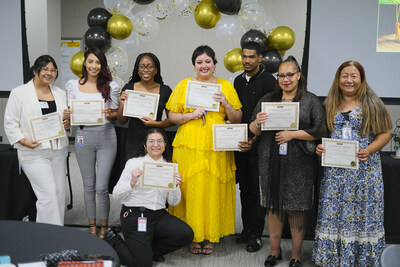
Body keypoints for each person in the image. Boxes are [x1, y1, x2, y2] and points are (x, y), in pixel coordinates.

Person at [249, 56, 327, 267]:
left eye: (290, 75)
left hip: (299, 163)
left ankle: (296, 254)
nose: (285, 79)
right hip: (269, 160)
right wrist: (257, 121)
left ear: (299, 75)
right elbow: (252, 129)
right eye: (281, 75)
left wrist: (293, 135)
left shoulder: (310, 100)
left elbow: (320, 130)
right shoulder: (268, 98)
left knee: (296, 208)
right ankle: (274, 251)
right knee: (273, 206)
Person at [312, 61, 392, 266]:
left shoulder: (372, 103)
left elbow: (385, 133)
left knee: (361, 216)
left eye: (354, 76)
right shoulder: (330, 103)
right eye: (344, 75)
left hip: (364, 173)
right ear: (338, 80)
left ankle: (360, 260)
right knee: (334, 214)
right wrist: (320, 148)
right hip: (335, 175)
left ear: (362, 79)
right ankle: (332, 258)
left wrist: (370, 149)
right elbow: (323, 135)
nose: (349, 80)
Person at [166, 45, 242, 255]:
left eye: (208, 61)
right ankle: (191, 234)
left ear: (215, 63)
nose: (204, 65)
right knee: (189, 188)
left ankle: (209, 235)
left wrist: (226, 104)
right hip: (189, 145)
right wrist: (191, 115)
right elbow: (172, 116)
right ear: (194, 65)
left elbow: (237, 118)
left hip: (216, 145)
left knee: (212, 188)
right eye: (199, 62)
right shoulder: (184, 85)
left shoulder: (225, 85)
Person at [107, 128, 194, 267]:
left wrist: (176, 186)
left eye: (160, 141)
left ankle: (150, 250)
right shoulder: (134, 163)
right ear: (145, 145)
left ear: (165, 144)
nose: (156, 145)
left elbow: (174, 202)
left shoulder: (170, 167)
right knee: (143, 264)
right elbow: (117, 194)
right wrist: (132, 182)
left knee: (186, 234)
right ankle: (112, 239)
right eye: (151, 141)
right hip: (135, 215)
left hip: (158, 215)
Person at [4, 55, 69, 225]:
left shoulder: (60, 94)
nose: (49, 73)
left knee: (60, 194)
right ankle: (49, 237)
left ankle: (57, 231)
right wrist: (24, 141)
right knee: (47, 195)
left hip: (58, 150)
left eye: (52, 70)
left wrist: (68, 122)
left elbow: (65, 124)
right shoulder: (19, 93)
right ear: (35, 71)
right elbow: (10, 123)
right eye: (45, 69)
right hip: (33, 153)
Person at [64, 47, 119, 238]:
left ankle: (104, 227)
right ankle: (92, 226)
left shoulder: (111, 86)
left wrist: (111, 113)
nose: (94, 66)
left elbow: (114, 117)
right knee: (88, 186)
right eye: (91, 61)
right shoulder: (72, 85)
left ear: (102, 65)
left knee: (102, 187)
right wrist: (67, 116)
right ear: (85, 63)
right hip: (82, 137)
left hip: (106, 137)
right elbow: (70, 117)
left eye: (98, 62)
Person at [233, 42, 276, 252]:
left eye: (251, 57)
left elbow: (270, 116)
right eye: (244, 56)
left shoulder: (269, 81)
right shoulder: (238, 81)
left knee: (257, 190)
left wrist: (254, 140)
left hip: (260, 144)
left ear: (260, 58)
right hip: (240, 144)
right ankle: (246, 229)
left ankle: (256, 234)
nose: (247, 60)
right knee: (244, 188)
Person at [116, 52, 173, 162]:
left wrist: (156, 124)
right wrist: (122, 104)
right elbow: (122, 121)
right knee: (134, 172)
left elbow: (172, 120)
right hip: (134, 138)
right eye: (142, 67)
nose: (145, 70)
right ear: (137, 69)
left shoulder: (165, 90)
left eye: (150, 66)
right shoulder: (129, 88)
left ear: (156, 70)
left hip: (156, 139)